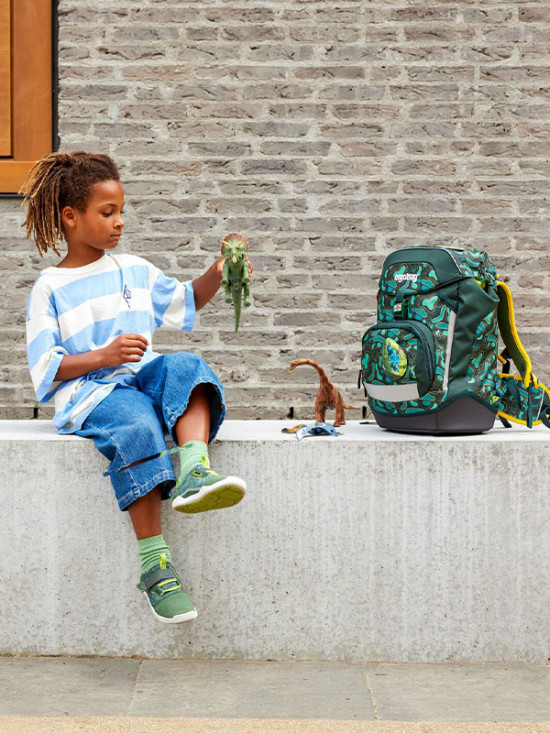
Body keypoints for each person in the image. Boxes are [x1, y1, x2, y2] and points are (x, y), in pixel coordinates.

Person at [22, 151, 251, 624]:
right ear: (70, 216)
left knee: (188, 366)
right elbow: (45, 367)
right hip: (94, 394)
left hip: (140, 377)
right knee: (138, 423)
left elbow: (187, 300)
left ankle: (193, 470)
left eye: (121, 211)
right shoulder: (50, 287)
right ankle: (156, 568)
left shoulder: (135, 270)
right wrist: (103, 357)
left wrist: (219, 270)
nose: (119, 223)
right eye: (107, 213)